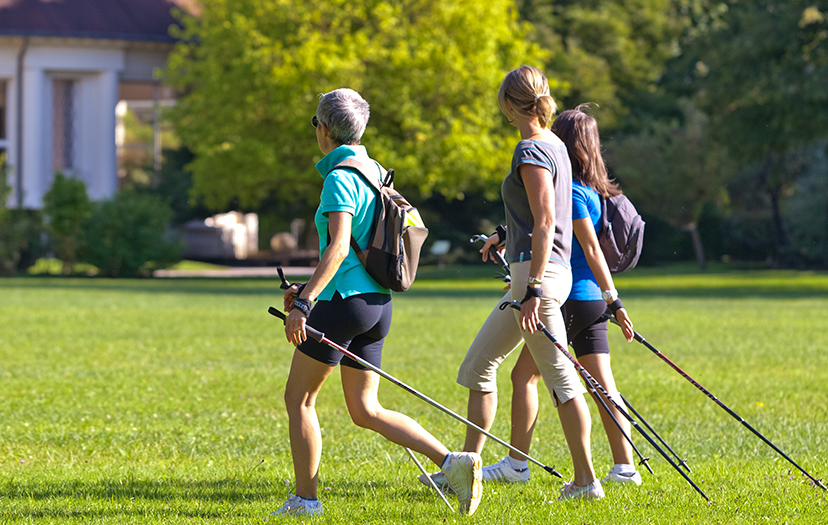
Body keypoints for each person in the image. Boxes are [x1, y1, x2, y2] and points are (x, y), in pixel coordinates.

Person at [273, 89, 484, 517]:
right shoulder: (373, 171)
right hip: (376, 304)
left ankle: (306, 501)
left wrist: (305, 302)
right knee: (366, 408)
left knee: (300, 400)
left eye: (314, 123)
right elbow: (354, 250)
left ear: (325, 129)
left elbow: (336, 250)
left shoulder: (338, 178)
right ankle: (452, 462)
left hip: (342, 303)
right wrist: (308, 288)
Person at [454, 65, 605, 501]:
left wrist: (533, 288)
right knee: (479, 366)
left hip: (536, 277)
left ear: (507, 104)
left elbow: (545, 220)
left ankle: (586, 481)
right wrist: (505, 235)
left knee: (561, 379)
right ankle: (464, 469)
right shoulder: (556, 144)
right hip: (543, 271)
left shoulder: (530, 149)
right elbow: (539, 215)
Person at [477, 106, 640, 489]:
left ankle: (518, 463)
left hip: (570, 300)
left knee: (532, 378)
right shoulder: (592, 193)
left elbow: (575, 240)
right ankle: (624, 467)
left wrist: (613, 299)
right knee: (601, 385)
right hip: (589, 301)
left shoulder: (574, 193)